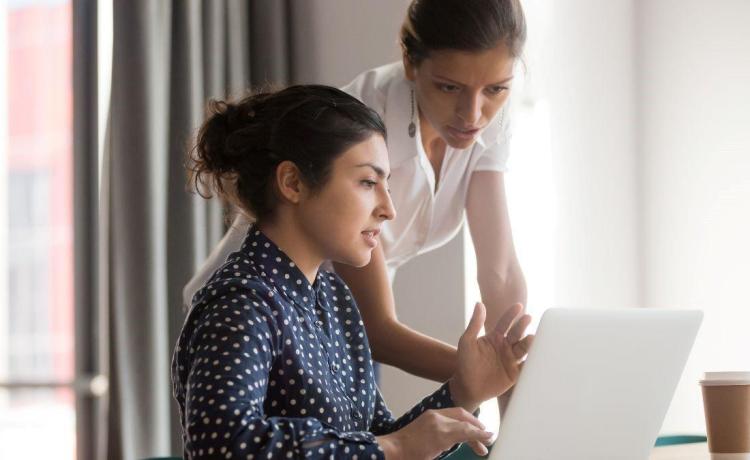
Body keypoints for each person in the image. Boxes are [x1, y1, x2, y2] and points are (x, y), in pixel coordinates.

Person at [172, 85, 533, 459]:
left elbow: (374, 439)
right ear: (292, 183)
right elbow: (221, 444)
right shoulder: (241, 304)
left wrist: (464, 391)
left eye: (387, 185)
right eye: (367, 182)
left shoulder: (334, 299)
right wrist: (394, 447)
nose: (388, 209)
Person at [184, 0, 527, 385]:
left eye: (496, 89)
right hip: (260, 313)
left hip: (337, 319)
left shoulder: (488, 122)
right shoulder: (364, 125)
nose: (473, 113)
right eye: (449, 87)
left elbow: (499, 273)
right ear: (410, 62)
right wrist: (494, 375)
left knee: (365, 438)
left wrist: (512, 393)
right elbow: (378, 328)